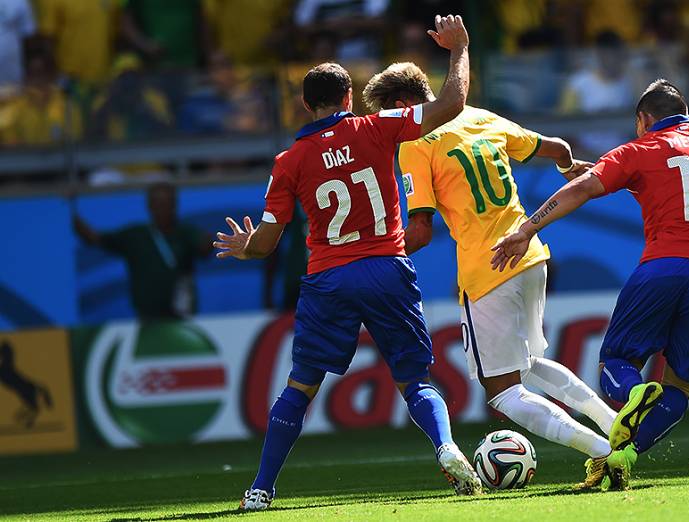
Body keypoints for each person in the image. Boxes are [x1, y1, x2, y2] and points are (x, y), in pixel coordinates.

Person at [212, 15, 479, 510]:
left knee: (301, 387)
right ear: (349, 98)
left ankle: (261, 489)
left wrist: (247, 245)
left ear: (305, 105)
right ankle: (445, 447)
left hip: (329, 277)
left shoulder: (288, 161)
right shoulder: (378, 128)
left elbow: (267, 244)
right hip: (386, 267)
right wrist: (459, 48)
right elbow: (451, 104)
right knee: (415, 381)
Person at [491, 79, 689, 490]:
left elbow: (583, 189)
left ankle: (632, 394)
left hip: (663, 268)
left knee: (616, 363)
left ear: (643, 119)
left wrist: (527, 228)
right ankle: (624, 457)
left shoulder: (639, 150)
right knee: (680, 388)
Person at [363, 61, 624, 490]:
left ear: (402, 105)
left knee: (502, 390)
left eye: (389, 115)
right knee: (530, 364)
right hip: (532, 255)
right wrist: (566, 168)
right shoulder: (480, 116)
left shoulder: (414, 143)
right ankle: (615, 424)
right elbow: (558, 146)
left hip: (489, 268)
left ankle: (604, 453)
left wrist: (372, 252)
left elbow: (421, 231)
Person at [73, 182, 211, 320]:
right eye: (158, 204)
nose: (163, 209)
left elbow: (205, 250)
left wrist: (210, 243)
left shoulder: (186, 233)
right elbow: (95, 239)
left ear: (175, 205)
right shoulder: (135, 236)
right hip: (147, 317)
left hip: (182, 314)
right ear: (149, 206)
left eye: (168, 204)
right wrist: (69, 213)